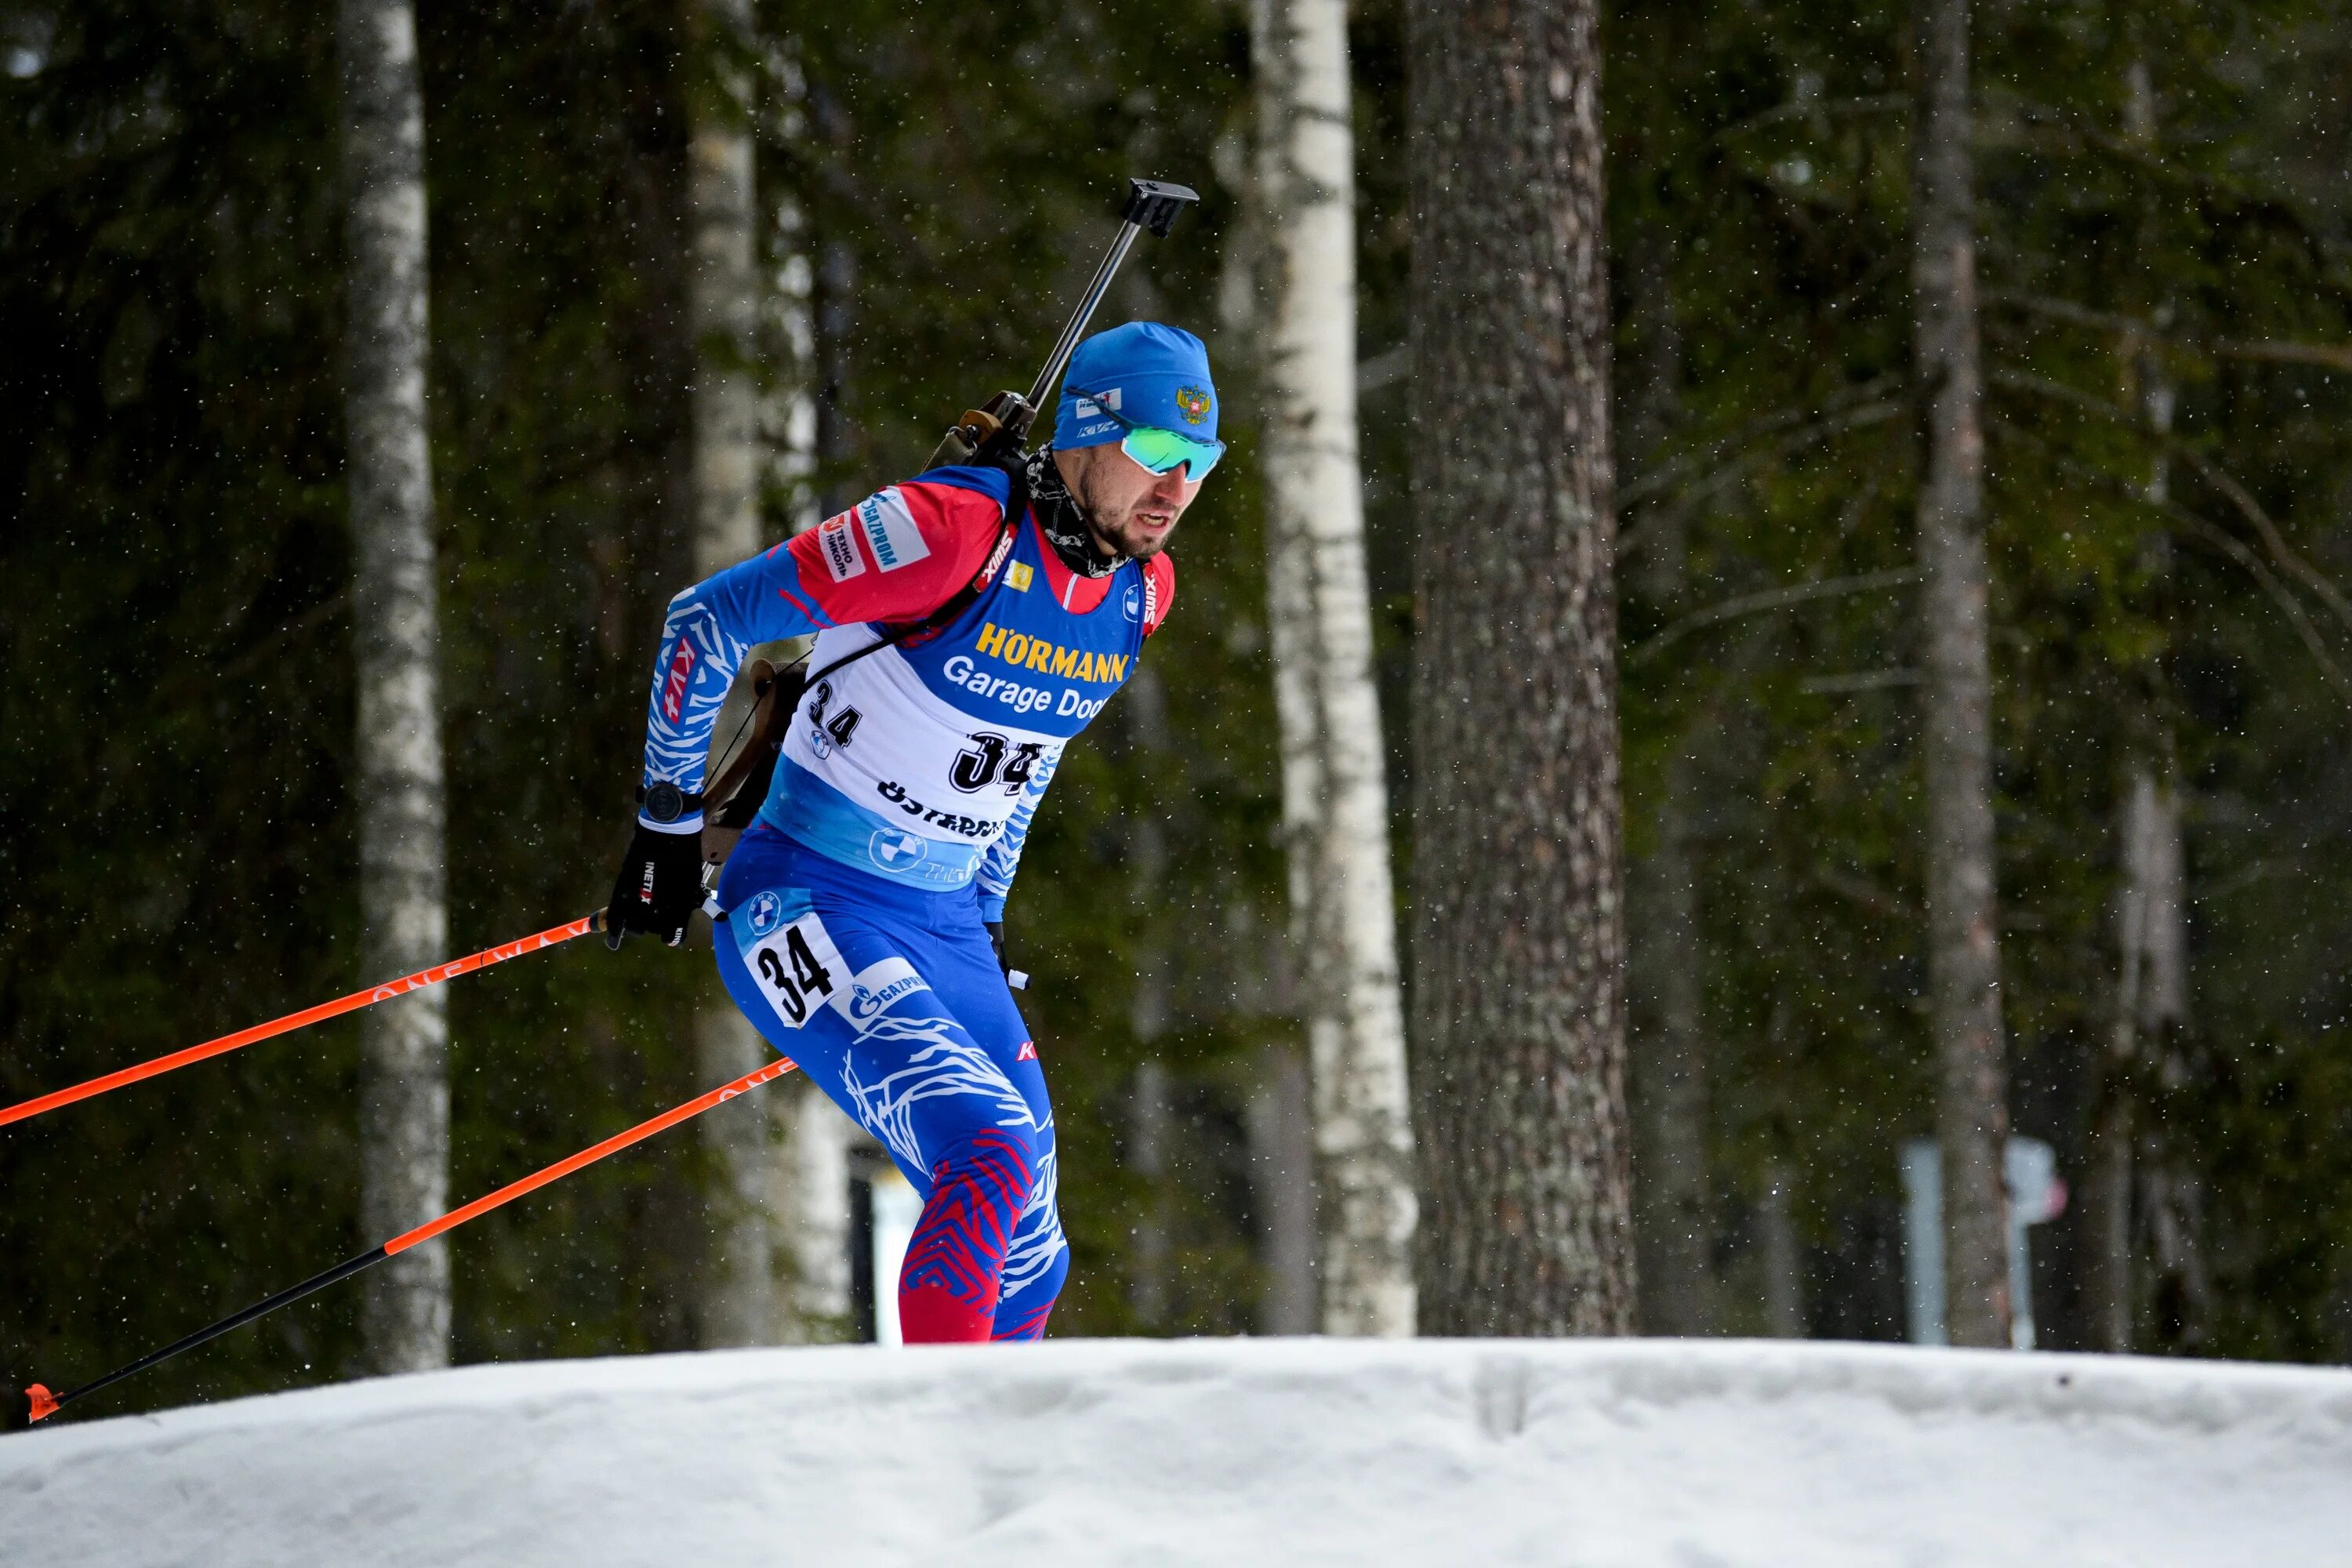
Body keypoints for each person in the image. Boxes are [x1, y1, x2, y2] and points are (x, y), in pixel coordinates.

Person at [605, 322, 1223, 1342]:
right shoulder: (950, 531)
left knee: (1031, 1249)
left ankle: (993, 1478)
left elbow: (1031, 752)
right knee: (989, 1152)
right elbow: (707, 621)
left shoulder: (1140, 594)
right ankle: (932, 1461)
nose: (1176, 490)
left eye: (1199, 463)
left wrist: (984, 913)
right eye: (1156, 453)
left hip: (942, 924)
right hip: (803, 898)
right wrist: (665, 826)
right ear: (1088, 431)